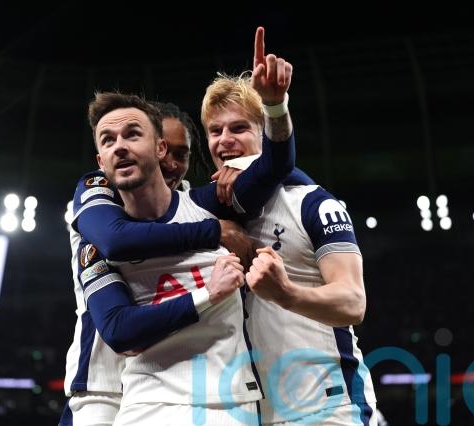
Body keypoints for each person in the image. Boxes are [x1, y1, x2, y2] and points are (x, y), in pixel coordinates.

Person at [68, 27, 377, 425]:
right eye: (215, 131)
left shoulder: (305, 203)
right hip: (131, 393)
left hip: (309, 402)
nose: (225, 140)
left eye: (239, 128)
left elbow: (353, 303)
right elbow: (116, 252)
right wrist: (217, 237)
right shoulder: (100, 211)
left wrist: (275, 107)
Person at [61, 85, 295, 424]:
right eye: (109, 140)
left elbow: (276, 167)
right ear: (100, 161)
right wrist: (214, 237)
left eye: (181, 155)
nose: (171, 164)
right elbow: (117, 245)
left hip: (218, 394)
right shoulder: (96, 215)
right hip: (104, 386)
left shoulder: (203, 203)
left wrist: (265, 123)